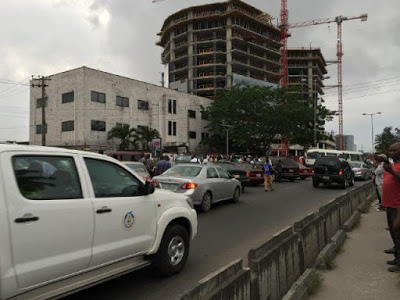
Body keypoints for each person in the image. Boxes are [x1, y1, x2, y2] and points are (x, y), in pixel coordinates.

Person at [382, 142, 400, 272]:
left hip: (398, 205)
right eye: (390, 150)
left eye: (394, 150)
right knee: (394, 233)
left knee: (398, 231)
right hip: (390, 204)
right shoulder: (393, 165)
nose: (391, 152)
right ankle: (397, 257)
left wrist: (392, 172)